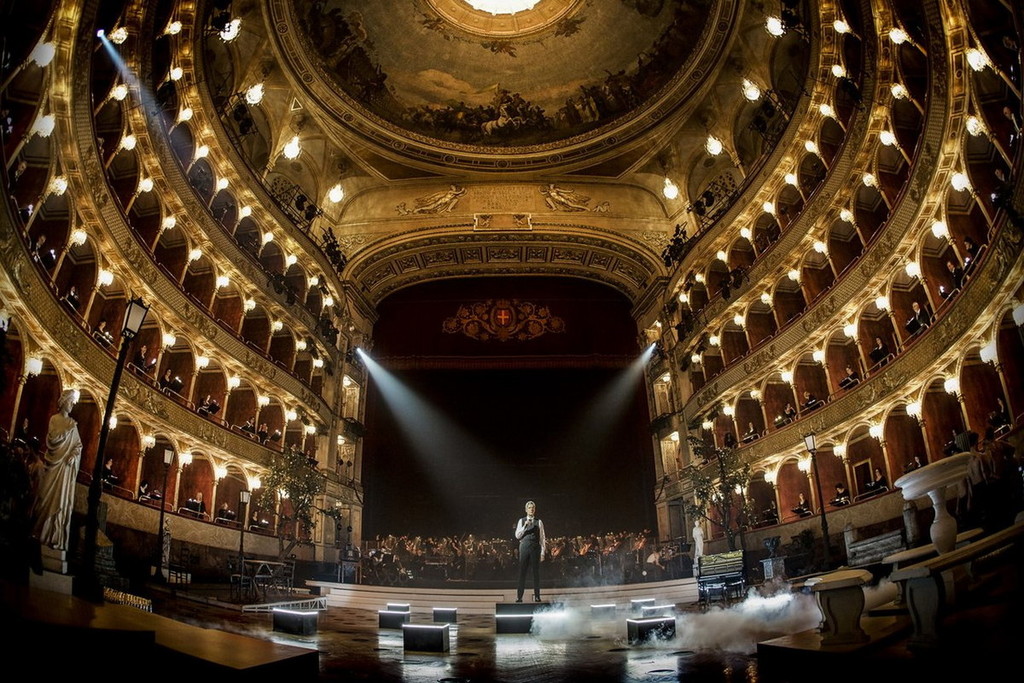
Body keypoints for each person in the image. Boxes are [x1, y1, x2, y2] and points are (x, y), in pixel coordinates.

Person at [32, 389, 83, 550]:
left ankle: (55, 537)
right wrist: (67, 430)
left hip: (65, 469)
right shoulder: (55, 419)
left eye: (73, 403)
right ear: (63, 402)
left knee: (61, 500)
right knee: (44, 496)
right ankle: (40, 533)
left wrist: (73, 455)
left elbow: (78, 446)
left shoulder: (73, 424)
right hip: (54, 464)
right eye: (70, 402)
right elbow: (52, 439)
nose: (72, 405)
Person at [514, 500, 546, 603]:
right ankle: (519, 597)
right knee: (522, 572)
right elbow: (517, 536)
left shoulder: (539, 521)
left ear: (535, 509)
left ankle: (537, 596)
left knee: (536, 573)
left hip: (535, 548)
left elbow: (542, 538)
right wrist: (525, 526)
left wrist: (542, 553)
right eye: (529, 508)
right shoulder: (521, 521)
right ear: (526, 510)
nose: (531, 509)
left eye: (532, 508)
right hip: (524, 547)